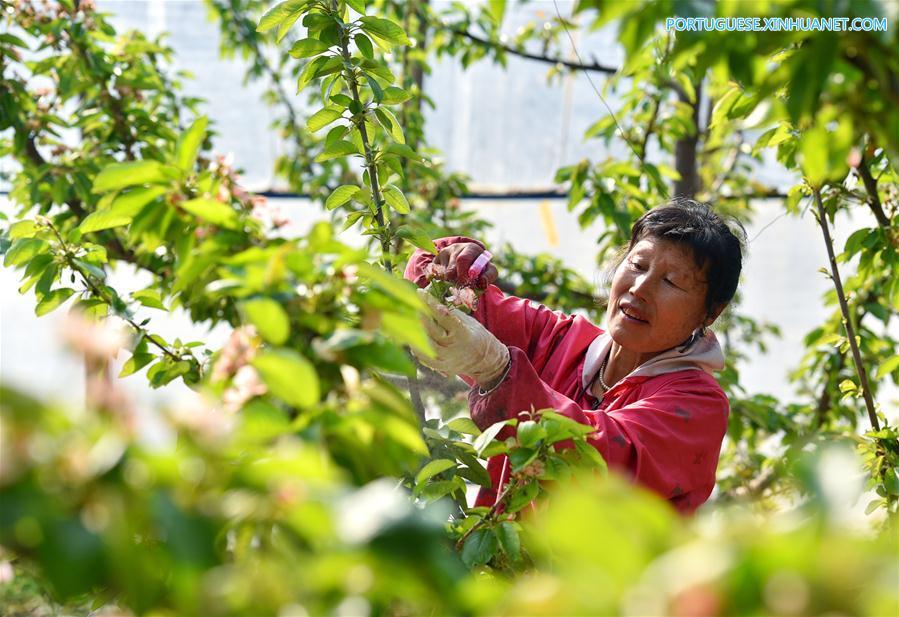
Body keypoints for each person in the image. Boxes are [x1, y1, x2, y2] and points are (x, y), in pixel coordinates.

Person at [404, 200, 746, 515]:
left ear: (710, 313)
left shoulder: (698, 404)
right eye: (637, 265)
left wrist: (498, 370)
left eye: (670, 282)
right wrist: (456, 264)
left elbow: (595, 457)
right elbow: (430, 288)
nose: (640, 288)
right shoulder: (558, 339)